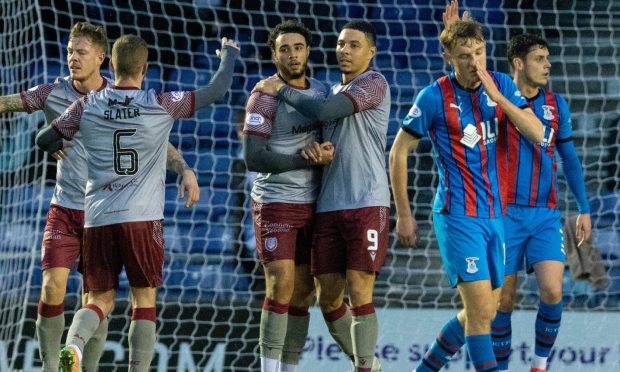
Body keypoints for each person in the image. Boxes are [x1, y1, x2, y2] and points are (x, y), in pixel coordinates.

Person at [36, 34, 239, 372]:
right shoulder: (160, 102)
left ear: (111, 65)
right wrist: (229, 54)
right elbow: (217, 89)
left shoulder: (87, 104)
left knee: (99, 299)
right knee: (143, 300)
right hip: (142, 218)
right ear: (145, 68)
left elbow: (45, 138)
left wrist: (57, 141)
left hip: (97, 217)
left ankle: (73, 344)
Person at [1, 22, 197, 372]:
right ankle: (50, 368)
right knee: (51, 286)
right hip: (65, 206)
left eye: (81, 52)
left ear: (102, 58)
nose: (72, 58)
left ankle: (82, 366)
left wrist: (182, 166)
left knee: (95, 301)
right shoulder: (50, 93)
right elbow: (8, 103)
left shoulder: (122, 98)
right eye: (69, 51)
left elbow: (156, 142)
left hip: (101, 212)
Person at [389, 15, 545, 372]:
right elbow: (398, 152)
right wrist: (404, 212)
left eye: (480, 52)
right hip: (458, 216)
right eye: (464, 55)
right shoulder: (433, 97)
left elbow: (537, 132)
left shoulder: (501, 83)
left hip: (494, 215)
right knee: (479, 316)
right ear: (447, 55)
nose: (475, 63)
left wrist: (498, 98)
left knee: (486, 311)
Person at [254, 20, 389, 372]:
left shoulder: (373, 83)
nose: (344, 50)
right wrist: (318, 153)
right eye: (341, 43)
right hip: (325, 206)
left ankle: (363, 368)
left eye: (354, 45)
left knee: (360, 291)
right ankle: (370, 365)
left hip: (366, 203)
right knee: (325, 298)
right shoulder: (327, 92)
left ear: (371, 52)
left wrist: (279, 88)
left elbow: (326, 113)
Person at [490, 33, 591, 372]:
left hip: (545, 215)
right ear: (518, 63)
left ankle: (538, 365)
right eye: (539, 58)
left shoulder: (555, 104)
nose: (547, 64)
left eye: (548, 58)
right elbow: (469, 67)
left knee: (552, 290)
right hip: (503, 213)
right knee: (502, 299)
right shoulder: (496, 98)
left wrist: (584, 207)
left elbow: (570, 157)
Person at [243, 20, 333, 372]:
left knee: (303, 293)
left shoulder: (322, 92)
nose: (292, 54)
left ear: (308, 51)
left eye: (298, 47)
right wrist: (301, 159)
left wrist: (327, 150)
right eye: (284, 49)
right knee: (281, 284)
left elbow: (331, 136)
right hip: (276, 200)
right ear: (274, 54)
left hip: (314, 203)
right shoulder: (262, 95)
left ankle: (290, 367)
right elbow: (254, 157)